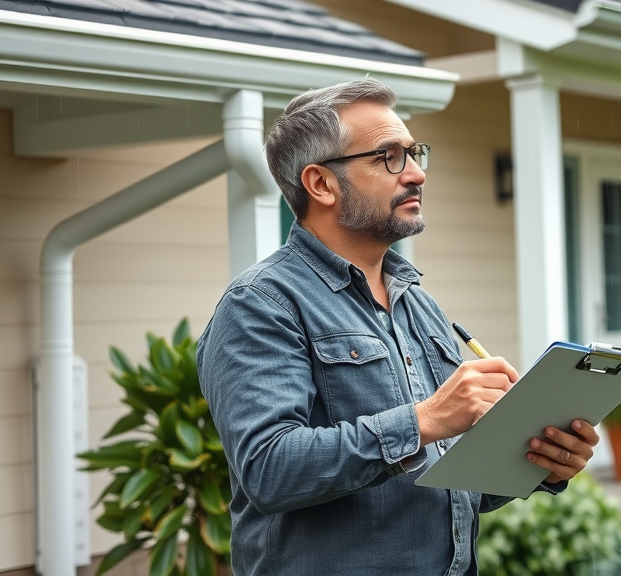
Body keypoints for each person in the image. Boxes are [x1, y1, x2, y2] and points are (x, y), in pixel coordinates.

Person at [196, 78, 600, 576]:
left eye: (414, 153)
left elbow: (451, 486)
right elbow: (269, 469)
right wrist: (426, 419)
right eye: (388, 157)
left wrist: (539, 459)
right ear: (320, 184)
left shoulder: (419, 305)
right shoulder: (260, 304)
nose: (416, 174)